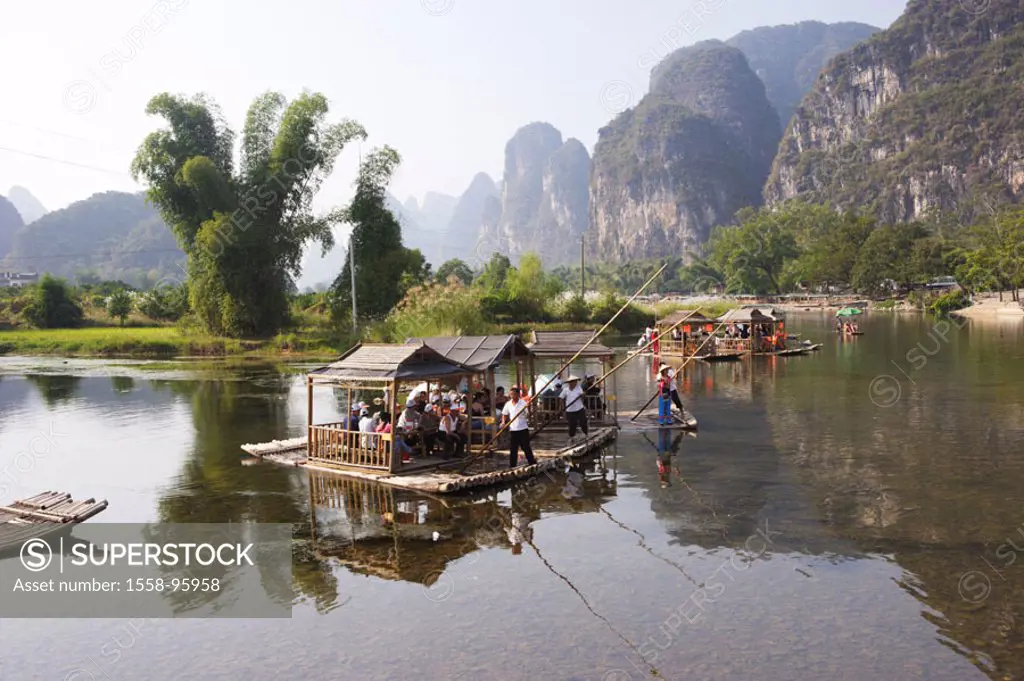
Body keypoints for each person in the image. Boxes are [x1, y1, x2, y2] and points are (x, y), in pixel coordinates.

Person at [501, 387, 536, 468]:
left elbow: (527, 414)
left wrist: (526, 410)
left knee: (526, 447)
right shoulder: (508, 404)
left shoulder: (523, 403)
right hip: (513, 430)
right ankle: (512, 466)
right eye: (510, 394)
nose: (511, 396)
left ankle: (532, 463)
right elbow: (504, 414)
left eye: (513, 394)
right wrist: (503, 422)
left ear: (517, 394)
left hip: (523, 429)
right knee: (513, 449)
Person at [560, 375, 588, 442]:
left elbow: (583, 397)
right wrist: (562, 407)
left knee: (583, 422)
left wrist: (583, 395)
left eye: (575, 382)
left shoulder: (579, 388)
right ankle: (572, 437)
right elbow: (561, 398)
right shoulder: (565, 390)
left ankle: (586, 435)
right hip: (570, 410)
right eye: (573, 382)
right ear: (569, 382)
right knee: (572, 424)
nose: (575, 383)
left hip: (579, 408)